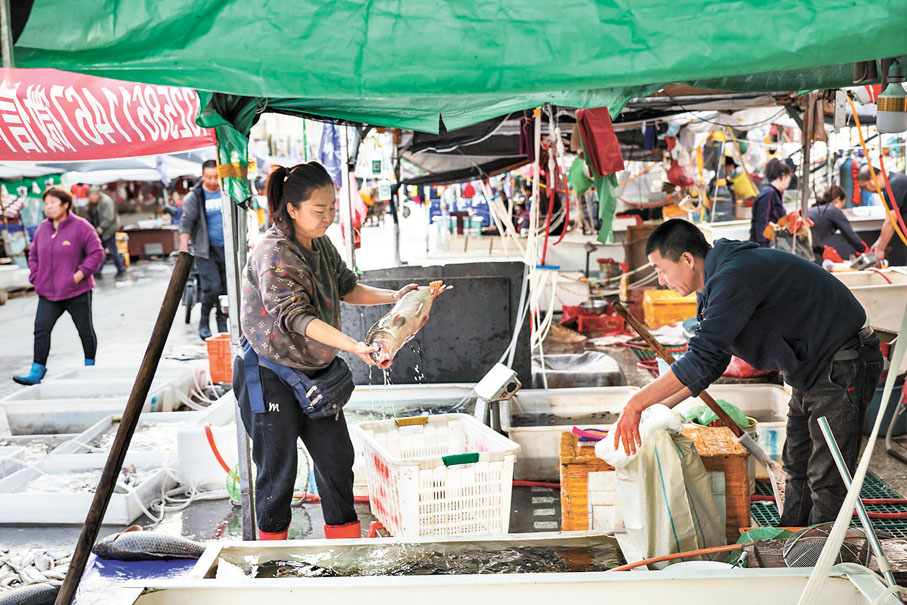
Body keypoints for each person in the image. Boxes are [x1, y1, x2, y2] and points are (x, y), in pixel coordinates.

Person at [612, 219, 882, 527]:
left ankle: (821, 559)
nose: (661, 280)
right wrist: (656, 411)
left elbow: (700, 358)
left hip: (842, 361)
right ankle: (791, 539)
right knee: (797, 464)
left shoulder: (733, 276)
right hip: (811, 366)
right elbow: (711, 363)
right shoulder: (713, 285)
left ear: (687, 259)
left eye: (661, 269)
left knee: (826, 475)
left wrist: (636, 404)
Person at [231, 162, 417, 541]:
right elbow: (296, 317)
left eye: (333, 207)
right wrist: (354, 346)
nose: (329, 217)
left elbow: (348, 287)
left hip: (317, 370)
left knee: (336, 463)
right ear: (292, 209)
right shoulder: (274, 253)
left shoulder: (321, 244)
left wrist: (394, 298)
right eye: (320, 210)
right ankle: (270, 566)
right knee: (276, 474)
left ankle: (345, 560)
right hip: (270, 374)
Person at [13, 188, 105, 385]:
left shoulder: (81, 227)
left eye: (54, 202)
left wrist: (79, 275)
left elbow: (96, 253)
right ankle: (37, 371)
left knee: (85, 330)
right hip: (47, 291)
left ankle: (90, 367)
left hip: (76, 291)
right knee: (41, 329)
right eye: (46, 203)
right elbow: (33, 255)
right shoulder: (42, 229)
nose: (49, 207)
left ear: (65, 204)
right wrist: (36, 277)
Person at [180, 160, 228, 339]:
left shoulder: (227, 192)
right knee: (212, 287)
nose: (213, 181)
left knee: (226, 289)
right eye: (209, 177)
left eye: (216, 176)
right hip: (205, 250)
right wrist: (184, 251)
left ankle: (222, 323)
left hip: (227, 249)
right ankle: (204, 320)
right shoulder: (195, 196)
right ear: (203, 176)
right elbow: (186, 224)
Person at [859, 165, 907, 266]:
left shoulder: (892, 186)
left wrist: (880, 249)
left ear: (872, 179)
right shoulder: (895, 182)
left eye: (865, 186)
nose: (867, 190)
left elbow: (891, 221)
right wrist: (879, 242)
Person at [808, 185, 867, 261]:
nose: (841, 209)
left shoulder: (815, 209)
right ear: (838, 199)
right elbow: (850, 235)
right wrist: (864, 250)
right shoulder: (833, 210)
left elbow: (809, 240)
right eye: (842, 204)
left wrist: (823, 251)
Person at [749, 158, 794, 246]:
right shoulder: (769, 193)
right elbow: (762, 222)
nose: (789, 183)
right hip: (764, 245)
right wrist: (763, 249)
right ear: (783, 175)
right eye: (789, 178)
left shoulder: (772, 193)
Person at [87, 186, 125, 278]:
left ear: (95, 194)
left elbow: (109, 217)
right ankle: (98, 270)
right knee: (101, 250)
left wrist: (101, 227)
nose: (90, 200)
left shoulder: (105, 202)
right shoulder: (97, 202)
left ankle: (120, 269)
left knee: (112, 251)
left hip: (108, 230)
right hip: (103, 230)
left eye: (91, 197)